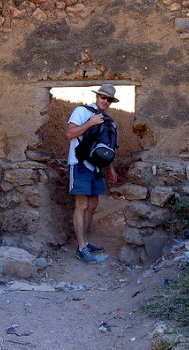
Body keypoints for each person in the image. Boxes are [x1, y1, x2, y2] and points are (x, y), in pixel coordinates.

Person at [66, 84, 119, 263]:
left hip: (97, 168)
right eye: (103, 97)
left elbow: (106, 147)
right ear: (97, 96)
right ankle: (81, 248)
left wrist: (110, 168)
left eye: (109, 99)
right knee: (81, 205)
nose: (105, 101)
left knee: (93, 204)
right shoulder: (81, 111)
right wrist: (90, 123)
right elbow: (69, 133)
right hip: (80, 164)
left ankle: (86, 242)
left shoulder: (108, 119)